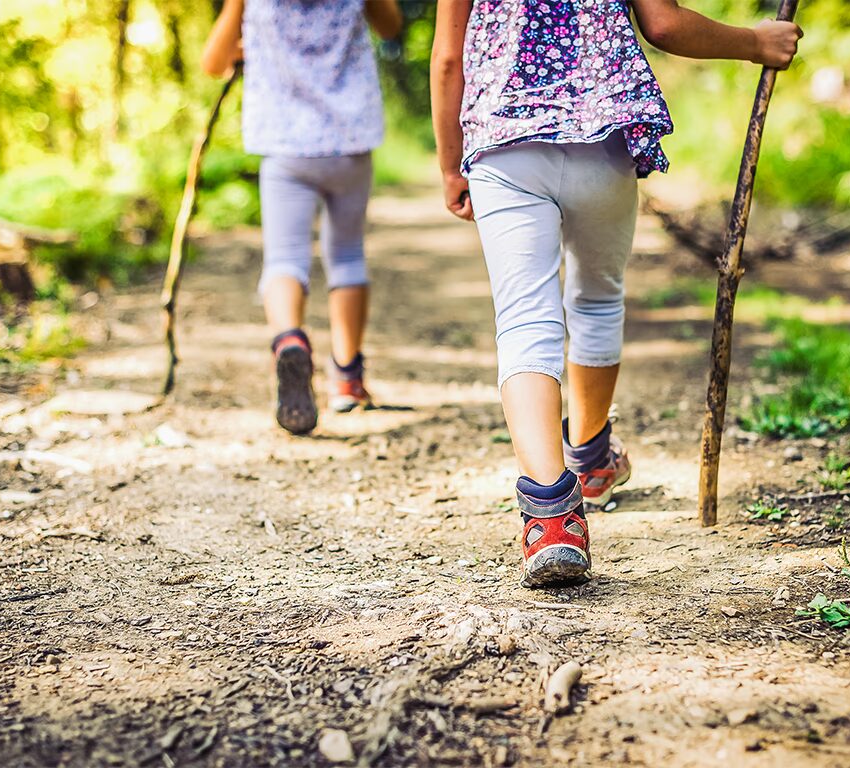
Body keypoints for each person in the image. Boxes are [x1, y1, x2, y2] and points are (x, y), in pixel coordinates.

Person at [431, 0, 802, 587]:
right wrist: (756, 43)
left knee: (525, 320)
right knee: (597, 298)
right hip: (600, 137)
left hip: (504, 143)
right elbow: (663, 24)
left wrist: (451, 165)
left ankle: (551, 518)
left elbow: (449, 59)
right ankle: (590, 459)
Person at [201, 0, 403, 435]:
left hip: (285, 146)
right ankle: (347, 380)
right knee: (347, 255)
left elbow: (213, 62)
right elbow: (391, 26)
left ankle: (289, 339)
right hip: (349, 140)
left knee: (284, 259)